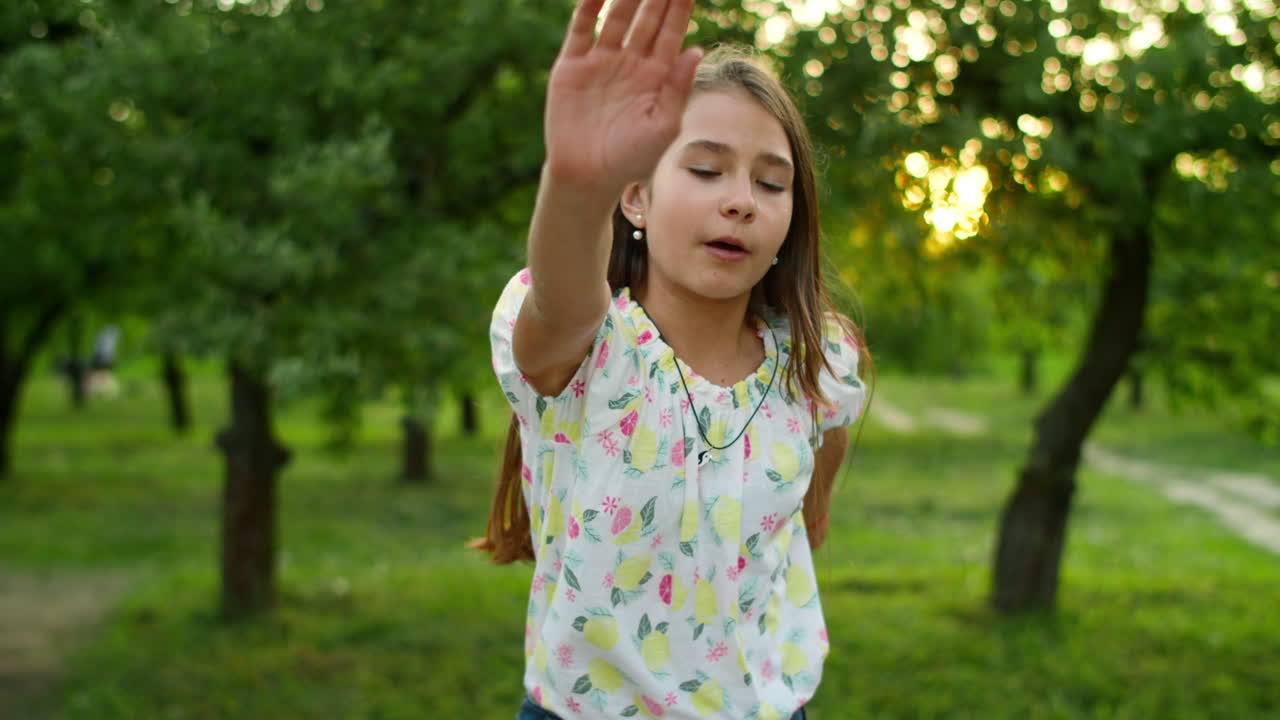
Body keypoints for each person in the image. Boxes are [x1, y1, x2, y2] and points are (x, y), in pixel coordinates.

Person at [473, 0, 870, 717]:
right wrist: (575, 183)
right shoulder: (595, 353)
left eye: (770, 183)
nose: (741, 201)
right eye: (707, 170)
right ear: (635, 197)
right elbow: (563, 299)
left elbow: (803, 529)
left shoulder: (817, 366)